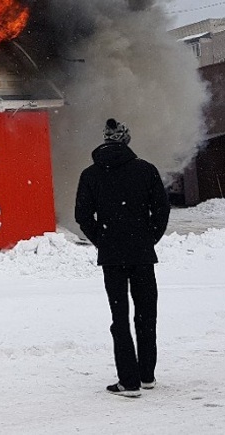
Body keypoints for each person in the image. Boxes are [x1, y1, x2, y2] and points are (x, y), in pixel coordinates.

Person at [75, 119, 171, 398]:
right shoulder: (146, 171)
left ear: (104, 140)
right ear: (127, 141)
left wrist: (102, 240)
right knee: (146, 315)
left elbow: (83, 216)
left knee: (120, 318)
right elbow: (162, 210)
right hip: (142, 256)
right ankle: (147, 375)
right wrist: (148, 238)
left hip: (112, 259)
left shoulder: (90, 175)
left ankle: (128, 381)